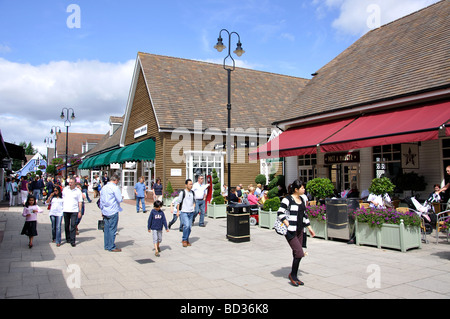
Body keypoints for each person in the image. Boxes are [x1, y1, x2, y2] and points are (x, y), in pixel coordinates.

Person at [277, 179, 315, 286]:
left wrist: (309, 228)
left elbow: (304, 215)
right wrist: (287, 223)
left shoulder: (302, 199)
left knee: (296, 254)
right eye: (302, 188)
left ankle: (294, 275)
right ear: (296, 189)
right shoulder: (287, 199)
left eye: (304, 187)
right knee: (299, 252)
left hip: (300, 230)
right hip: (291, 231)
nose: (304, 189)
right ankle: (293, 275)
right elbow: (280, 212)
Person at [100, 175, 123, 252]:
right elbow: (119, 199)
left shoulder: (104, 187)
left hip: (105, 210)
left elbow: (101, 200)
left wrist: (102, 210)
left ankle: (106, 245)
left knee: (106, 229)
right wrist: (121, 198)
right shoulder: (115, 188)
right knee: (112, 229)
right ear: (116, 180)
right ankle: (111, 246)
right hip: (113, 210)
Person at [172, 179, 196, 247]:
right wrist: (177, 211)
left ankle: (187, 239)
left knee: (189, 227)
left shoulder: (192, 193)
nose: (191, 185)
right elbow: (178, 202)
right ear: (186, 185)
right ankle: (184, 239)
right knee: (186, 226)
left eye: (192, 184)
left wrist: (193, 208)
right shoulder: (183, 192)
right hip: (184, 212)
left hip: (191, 212)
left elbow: (194, 201)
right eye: (190, 184)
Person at [62, 177, 83, 247]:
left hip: (74, 210)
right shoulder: (65, 189)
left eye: (71, 183)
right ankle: (67, 238)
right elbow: (62, 198)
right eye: (69, 182)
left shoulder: (78, 191)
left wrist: (80, 211)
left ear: (75, 183)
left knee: (73, 225)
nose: (70, 184)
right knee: (66, 225)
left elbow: (80, 201)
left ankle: (72, 240)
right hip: (66, 209)